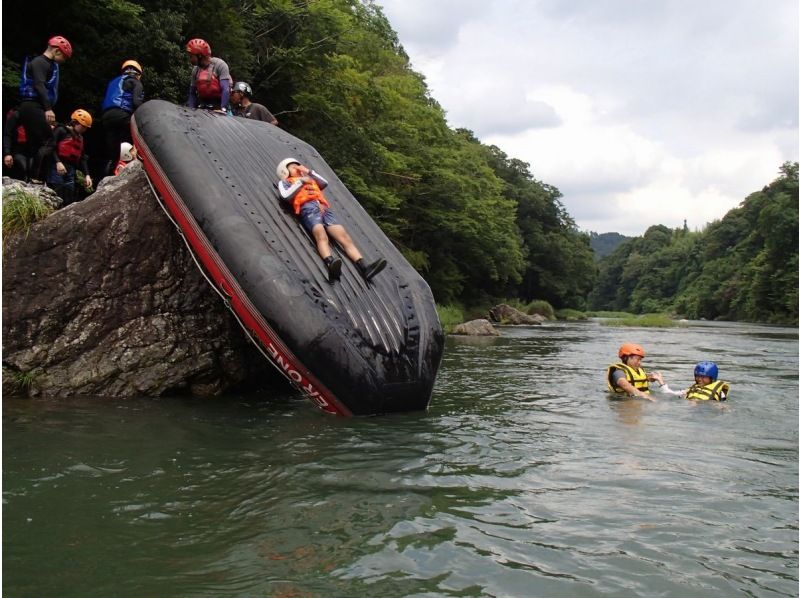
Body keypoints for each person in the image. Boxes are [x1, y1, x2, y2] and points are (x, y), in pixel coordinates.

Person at [276, 158, 387, 283]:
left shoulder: (311, 180)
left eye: (298, 165)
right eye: (292, 167)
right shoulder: (286, 182)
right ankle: (330, 263)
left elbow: (324, 183)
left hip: (324, 209)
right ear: (285, 171)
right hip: (308, 209)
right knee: (321, 234)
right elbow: (285, 195)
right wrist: (300, 181)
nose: (297, 168)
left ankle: (365, 267)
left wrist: (307, 171)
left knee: (344, 237)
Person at [17, 35, 72, 181]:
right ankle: (35, 177)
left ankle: (29, 179)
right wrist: (48, 108)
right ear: (56, 51)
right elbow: (39, 85)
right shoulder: (40, 62)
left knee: (35, 143)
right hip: (33, 105)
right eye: (64, 57)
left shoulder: (49, 64)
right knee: (48, 140)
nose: (63, 61)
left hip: (35, 106)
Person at [101, 59, 144, 176]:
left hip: (107, 117)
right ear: (138, 74)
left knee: (113, 154)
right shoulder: (135, 82)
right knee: (139, 134)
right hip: (122, 114)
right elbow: (136, 102)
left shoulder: (113, 82)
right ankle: (140, 160)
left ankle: (109, 176)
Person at [41, 109, 93, 205]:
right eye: (83, 127)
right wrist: (58, 162)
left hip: (70, 169)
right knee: (57, 194)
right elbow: (50, 148)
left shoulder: (80, 138)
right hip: (56, 166)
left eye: (86, 128)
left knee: (69, 196)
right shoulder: (61, 130)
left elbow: (82, 158)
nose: (84, 130)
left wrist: (87, 175)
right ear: (75, 122)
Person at [186, 38, 231, 111]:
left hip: (218, 105)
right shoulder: (196, 70)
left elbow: (225, 89)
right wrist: (190, 109)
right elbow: (192, 93)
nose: (190, 59)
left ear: (199, 56)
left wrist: (222, 109)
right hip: (203, 105)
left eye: (191, 56)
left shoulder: (220, 65)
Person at [660, 361, 730, 401]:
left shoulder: (720, 392)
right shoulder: (691, 389)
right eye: (697, 376)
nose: (699, 379)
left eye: (703, 377)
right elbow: (670, 393)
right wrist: (660, 380)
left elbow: (723, 404)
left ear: (712, 378)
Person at [3, 107, 32, 181]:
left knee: (30, 173)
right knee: (22, 170)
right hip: (18, 148)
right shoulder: (16, 114)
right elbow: (7, 134)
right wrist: (7, 153)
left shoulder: (38, 114)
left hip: (33, 149)